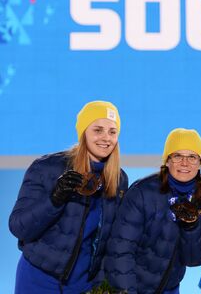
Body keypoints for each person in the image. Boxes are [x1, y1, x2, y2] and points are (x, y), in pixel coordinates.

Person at [9, 100, 128, 293]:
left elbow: (110, 238)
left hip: (82, 285)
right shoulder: (46, 168)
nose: (106, 138)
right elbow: (18, 227)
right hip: (39, 279)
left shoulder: (118, 179)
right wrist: (54, 200)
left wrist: (102, 281)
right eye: (98, 130)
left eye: (112, 132)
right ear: (83, 133)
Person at [104, 128, 201, 293]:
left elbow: (193, 260)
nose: (185, 163)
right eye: (177, 156)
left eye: (192, 157)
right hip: (132, 287)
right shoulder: (142, 192)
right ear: (167, 161)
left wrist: (190, 227)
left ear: (200, 162)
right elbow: (120, 250)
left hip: (170, 289)